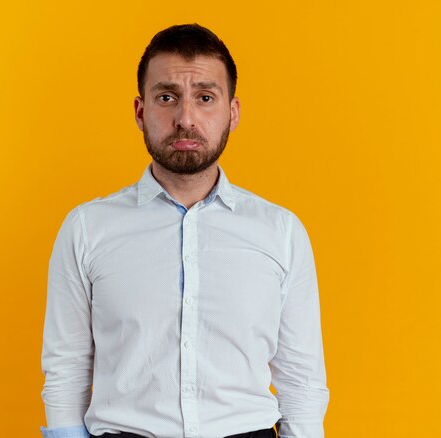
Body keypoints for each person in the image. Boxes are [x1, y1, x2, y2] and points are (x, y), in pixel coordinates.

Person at [40, 24, 329, 438]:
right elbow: (66, 369)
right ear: (141, 111)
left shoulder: (280, 232)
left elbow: (301, 380)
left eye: (205, 98)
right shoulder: (87, 229)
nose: (186, 119)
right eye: (167, 97)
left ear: (232, 112)